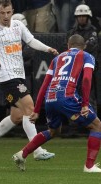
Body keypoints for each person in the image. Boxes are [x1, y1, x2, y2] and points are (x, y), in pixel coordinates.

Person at [0, 0, 58, 161]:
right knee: (30, 108)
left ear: (12, 11)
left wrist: (48, 48)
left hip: (19, 75)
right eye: (2, 12)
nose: (6, 16)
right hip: (6, 77)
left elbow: (31, 41)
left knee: (17, 116)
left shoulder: (18, 25)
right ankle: (37, 150)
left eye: (8, 12)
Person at [13, 34, 101, 173]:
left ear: (68, 46)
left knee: (54, 131)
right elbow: (86, 80)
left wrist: (36, 109)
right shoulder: (87, 56)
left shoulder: (56, 58)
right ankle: (89, 166)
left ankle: (22, 154)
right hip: (68, 97)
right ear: (83, 46)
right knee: (97, 126)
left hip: (51, 98)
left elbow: (44, 84)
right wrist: (85, 103)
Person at [62, 4, 99, 138]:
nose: (82, 18)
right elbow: (65, 48)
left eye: (84, 16)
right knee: (71, 97)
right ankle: (73, 128)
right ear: (76, 18)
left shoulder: (93, 31)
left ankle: (92, 126)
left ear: (88, 17)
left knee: (89, 98)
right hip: (73, 71)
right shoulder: (71, 32)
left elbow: (90, 48)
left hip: (88, 70)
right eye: (79, 16)